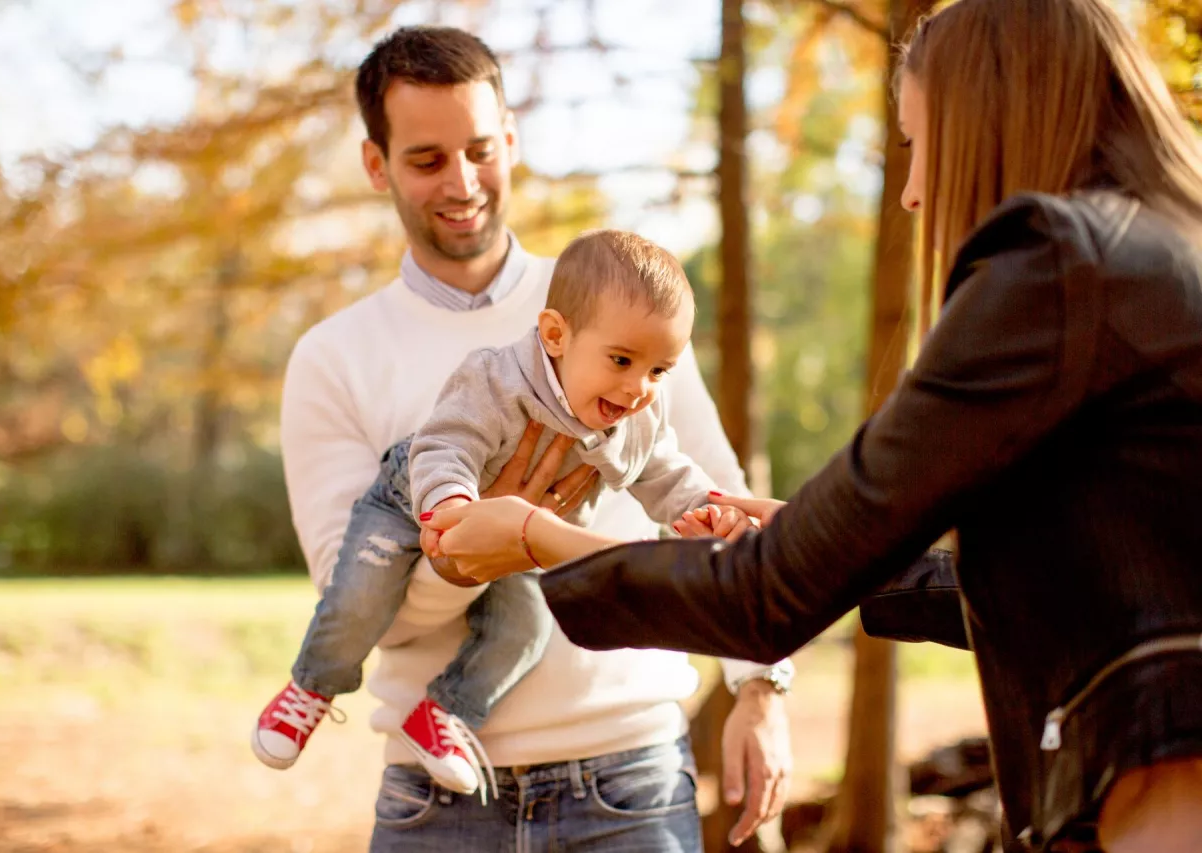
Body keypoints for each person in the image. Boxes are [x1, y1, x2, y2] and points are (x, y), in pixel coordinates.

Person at [420, 1, 1202, 851]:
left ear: (989, 114)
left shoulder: (1055, 262)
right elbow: (1090, 577)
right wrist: (812, 535)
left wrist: (539, 537)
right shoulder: (1164, 253)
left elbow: (761, 598)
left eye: (915, 142)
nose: (910, 192)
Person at [277, 25, 795, 851]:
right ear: (376, 165)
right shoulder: (332, 359)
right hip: (433, 801)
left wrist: (761, 688)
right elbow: (358, 599)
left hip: (631, 779)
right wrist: (478, 545)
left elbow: (716, 502)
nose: (463, 181)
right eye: (426, 159)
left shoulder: (627, 306)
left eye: (482, 149)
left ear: (511, 139)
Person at [254, 230, 753, 801]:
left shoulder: (635, 414)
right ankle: (312, 686)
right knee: (360, 595)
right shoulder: (497, 377)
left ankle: (443, 714)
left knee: (526, 629)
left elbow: (665, 469)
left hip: (519, 543)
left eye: (659, 370)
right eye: (621, 360)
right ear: (555, 335)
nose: (639, 387)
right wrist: (454, 507)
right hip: (417, 501)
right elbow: (446, 446)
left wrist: (704, 511)